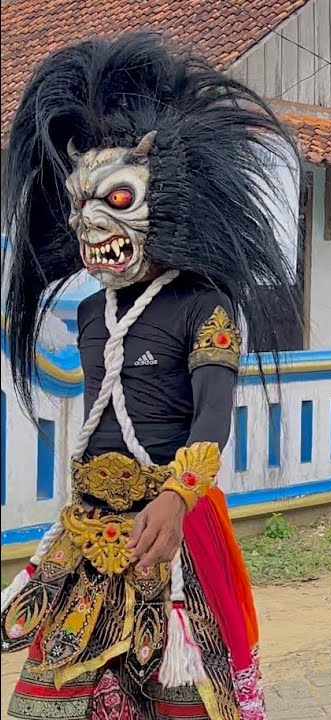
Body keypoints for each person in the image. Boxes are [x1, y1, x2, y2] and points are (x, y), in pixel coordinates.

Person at [0, 34, 300, 719]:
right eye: (80, 207)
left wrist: (174, 502)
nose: (90, 225)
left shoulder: (206, 306)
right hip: (89, 536)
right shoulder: (89, 315)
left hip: (174, 536)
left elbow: (213, 419)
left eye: (117, 198)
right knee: (48, 703)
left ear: (168, 202)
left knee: (180, 703)